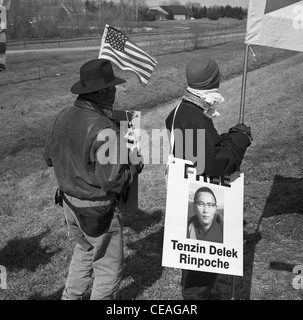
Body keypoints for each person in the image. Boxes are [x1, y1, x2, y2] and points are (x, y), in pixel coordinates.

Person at [43, 59, 143, 300]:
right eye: (113, 87)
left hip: (69, 204)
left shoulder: (62, 115)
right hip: (96, 210)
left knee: (85, 251)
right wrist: (135, 165)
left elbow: (48, 158)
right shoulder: (105, 128)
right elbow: (113, 181)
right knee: (108, 271)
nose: (116, 91)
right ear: (103, 92)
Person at [165, 56, 252, 300]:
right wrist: (239, 139)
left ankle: (194, 292)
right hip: (198, 192)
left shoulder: (181, 110)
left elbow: (198, 150)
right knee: (202, 261)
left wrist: (223, 139)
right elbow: (217, 165)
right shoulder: (195, 118)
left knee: (194, 255)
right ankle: (195, 296)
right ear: (214, 81)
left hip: (185, 192)